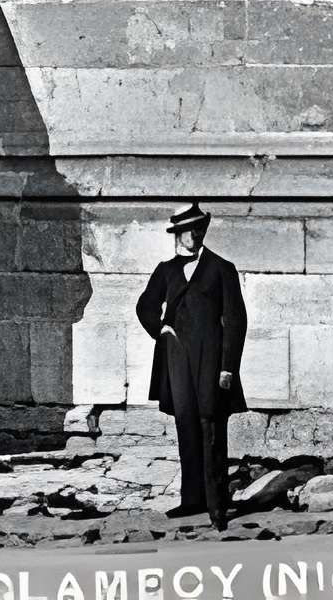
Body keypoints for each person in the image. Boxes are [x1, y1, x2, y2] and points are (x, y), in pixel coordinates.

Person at [135, 204, 248, 530]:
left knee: (211, 428)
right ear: (178, 234)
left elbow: (236, 321)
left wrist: (229, 367)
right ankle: (192, 501)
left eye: (200, 229)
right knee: (186, 426)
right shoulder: (166, 270)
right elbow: (145, 306)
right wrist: (161, 330)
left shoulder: (221, 269)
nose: (195, 235)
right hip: (177, 361)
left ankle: (218, 507)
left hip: (211, 363)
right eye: (189, 229)